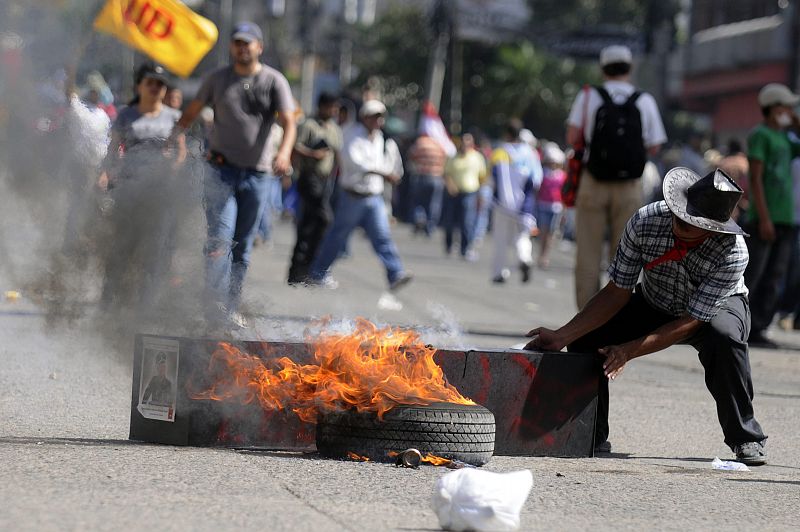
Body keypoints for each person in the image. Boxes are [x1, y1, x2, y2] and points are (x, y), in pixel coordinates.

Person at [526, 167, 768, 466]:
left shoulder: (733, 251)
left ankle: (745, 437)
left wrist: (628, 351)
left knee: (725, 339)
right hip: (655, 300)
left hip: (715, 310)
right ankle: (592, 434)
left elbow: (692, 321)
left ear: (712, 228)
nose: (680, 224)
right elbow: (617, 292)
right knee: (588, 337)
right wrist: (563, 335)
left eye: (691, 224)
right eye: (679, 215)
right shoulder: (644, 222)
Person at [172, 21, 296, 328]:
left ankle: (229, 307)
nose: (242, 48)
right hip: (221, 170)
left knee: (242, 246)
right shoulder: (217, 79)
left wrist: (284, 154)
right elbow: (191, 112)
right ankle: (213, 308)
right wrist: (175, 138)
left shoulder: (273, 80)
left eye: (248, 43)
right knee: (219, 239)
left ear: (259, 47)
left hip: (258, 175)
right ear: (231, 47)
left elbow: (290, 123)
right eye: (237, 42)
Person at [566, 44, 667, 309]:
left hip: (593, 180)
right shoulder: (644, 100)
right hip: (630, 185)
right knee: (625, 254)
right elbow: (655, 145)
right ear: (629, 68)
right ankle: (615, 314)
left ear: (603, 69)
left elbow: (573, 137)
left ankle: (586, 318)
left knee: (588, 252)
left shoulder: (590, 96)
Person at [98, 63, 186, 311]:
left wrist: (173, 167)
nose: (156, 88)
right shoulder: (126, 115)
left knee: (155, 249)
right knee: (122, 244)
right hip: (128, 187)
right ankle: (109, 301)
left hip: (160, 192)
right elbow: (112, 150)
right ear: (140, 85)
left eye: (160, 84)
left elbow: (181, 152)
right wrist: (105, 173)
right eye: (151, 82)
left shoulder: (173, 117)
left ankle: (146, 306)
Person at [308, 99, 412, 291]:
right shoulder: (352, 135)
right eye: (373, 117)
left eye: (380, 117)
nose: (377, 121)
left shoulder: (383, 140)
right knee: (336, 237)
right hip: (352, 197)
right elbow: (356, 163)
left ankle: (395, 273)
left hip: (373, 197)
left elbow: (392, 166)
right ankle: (318, 272)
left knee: (382, 237)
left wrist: (392, 175)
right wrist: (383, 173)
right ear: (364, 118)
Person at [741, 83, 800, 346]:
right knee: (755, 274)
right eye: (787, 106)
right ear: (774, 108)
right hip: (765, 217)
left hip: (786, 218)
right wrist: (764, 217)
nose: (790, 110)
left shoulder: (787, 138)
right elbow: (755, 178)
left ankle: (759, 327)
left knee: (776, 275)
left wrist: (795, 123)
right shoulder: (760, 135)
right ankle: (742, 325)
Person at [287, 92, 343, 284]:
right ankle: (306, 268)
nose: (333, 111)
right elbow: (296, 147)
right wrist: (312, 154)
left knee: (308, 226)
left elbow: (337, 154)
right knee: (325, 218)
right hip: (309, 177)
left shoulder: (334, 128)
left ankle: (300, 271)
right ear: (321, 106)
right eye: (331, 107)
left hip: (325, 179)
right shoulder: (309, 124)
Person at [490, 118, 542, 284]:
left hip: (501, 205)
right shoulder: (530, 154)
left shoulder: (500, 152)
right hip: (524, 206)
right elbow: (537, 180)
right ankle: (524, 258)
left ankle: (500, 273)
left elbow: (492, 178)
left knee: (501, 239)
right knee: (522, 236)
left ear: (507, 133)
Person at [442, 133, 485, 260]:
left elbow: (482, 176)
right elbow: (446, 173)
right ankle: (449, 245)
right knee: (449, 221)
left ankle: (465, 248)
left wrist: (480, 193)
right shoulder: (453, 157)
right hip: (453, 193)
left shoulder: (477, 157)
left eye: (468, 142)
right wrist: (450, 186)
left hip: (470, 192)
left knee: (467, 221)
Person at [535, 142, 567, 269]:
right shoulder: (542, 173)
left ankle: (545, 256)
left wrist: (564, 210)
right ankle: (541, 255)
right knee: (543, 232)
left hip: (556, 208)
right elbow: (538, 190)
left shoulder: (562, 176)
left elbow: (564, 194)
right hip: (543, 206)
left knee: (551, 234)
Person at [409, 133, 447, 236]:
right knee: (434, 203)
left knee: (417, 201)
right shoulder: (440, 143)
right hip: (436, 176)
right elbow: (445, 158)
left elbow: (411, 156)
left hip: (421, 175)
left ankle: (419, 218)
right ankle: (430, 226)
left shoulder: (420, 142)